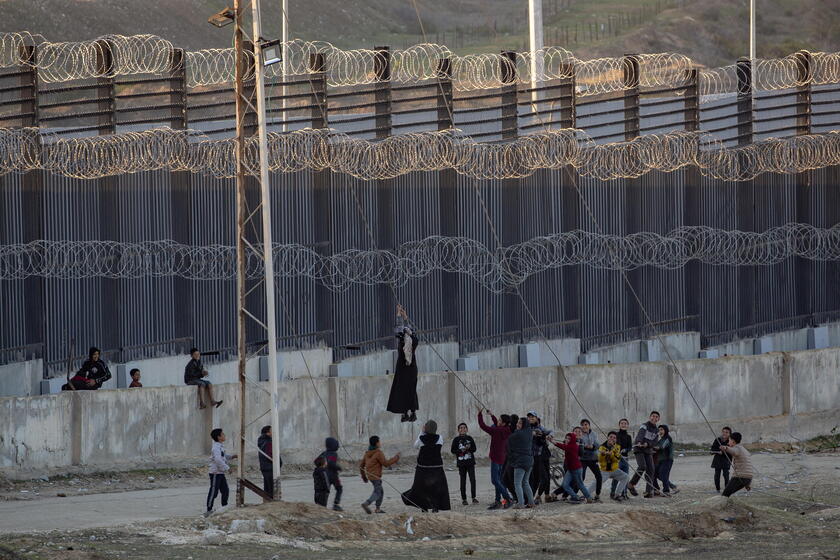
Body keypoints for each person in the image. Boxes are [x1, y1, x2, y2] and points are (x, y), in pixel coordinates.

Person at [402, 420, 450, 512]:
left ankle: (424, 507)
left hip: (423, 468)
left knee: (421, 489)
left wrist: (422, 432)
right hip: (436, 468)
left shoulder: (421, 439)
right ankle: (435, 507)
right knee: (436, 488)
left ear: (426, 428)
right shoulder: (440, 438)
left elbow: (415, 446)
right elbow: (440, 444)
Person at [386, 305, 419, 422]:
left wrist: (399, 315)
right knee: (408, 390)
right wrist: (403, 317)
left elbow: (400, 330)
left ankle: (407, 412)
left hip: (404, 368)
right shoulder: (411, 339)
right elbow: (404, 329)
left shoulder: (405, 340)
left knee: (404, 390)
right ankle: (409, 412)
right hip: (409, 368)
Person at [478, 409, 514, 510]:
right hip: (502, 457)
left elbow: (483, 426)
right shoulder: (506, 429)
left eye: (499, 420)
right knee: (499, 480)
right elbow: (497, 425)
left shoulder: (497, 430)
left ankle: (508, 498)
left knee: (494, 481)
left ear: (503, 423)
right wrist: (492, 415)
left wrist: (479, 415)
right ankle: (498, 501)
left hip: (496, 458)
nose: (497, 421)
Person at [360, 435, 400, 514]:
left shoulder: (367, 453)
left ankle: (377, 509)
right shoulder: (378, 453)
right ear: (376, 443)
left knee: (381, 491)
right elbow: (386, 463)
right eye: (379, 441)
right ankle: (367, 503)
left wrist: (364, 477)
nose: (380, 443)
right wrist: (396, 458)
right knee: (378, 492)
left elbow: (361, 466)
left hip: (370, 476)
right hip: (376, 477)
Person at [549, 431, 592, 504]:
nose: (566, 439)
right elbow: (564, 446)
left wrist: (552, 441)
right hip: (570, 469)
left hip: (577, 469)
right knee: (565, 485)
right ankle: (576, 497)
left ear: (572, 440)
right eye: (566, 438)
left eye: (569, 439)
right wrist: (553, 440)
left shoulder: (572, 446)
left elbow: (562, 446)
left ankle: (589, 498)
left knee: (580, 485)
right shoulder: (570, 445)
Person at [205, 428, 237, 517]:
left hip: (220, 473)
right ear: (219, 437)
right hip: (215, 473)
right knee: (214, 492)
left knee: (225, 490)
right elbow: (218, 460)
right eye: (223, 434)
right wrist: (227, 468)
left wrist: (231, 457)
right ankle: (209, 510)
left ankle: (224, 507)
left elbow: (223, 456)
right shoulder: (216, 447)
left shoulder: (220, 446)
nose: (224, 436)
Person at [628, 411, 660, 498]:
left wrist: (648, 444)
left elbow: (655, 442)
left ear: (658, 419)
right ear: (650, 417)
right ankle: (631, 484)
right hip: (639, 449)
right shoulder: (644, 425)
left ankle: (648, 491)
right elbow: (640, 434)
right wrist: (639, 442)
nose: (654, 418)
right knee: (642, 466)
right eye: (653, 416)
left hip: (648, 450)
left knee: (651, 469)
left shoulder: (657, 431)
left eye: (656, 417)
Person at [507, 417, 536, 509]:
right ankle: (531, 502)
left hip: (520, 461)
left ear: (523, 425)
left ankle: (521, 503)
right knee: (525, 482)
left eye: (519, 423)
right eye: (517, 423)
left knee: (517, 483)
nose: (517, 424)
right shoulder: (529, 432)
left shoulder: (518, 434)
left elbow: (509, 442)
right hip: (529, 461)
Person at [525, 412, 552, 504]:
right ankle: (532, 497)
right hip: (532, 457)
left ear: (537, 418)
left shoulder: (541, 428)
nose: (530, 418)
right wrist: (531, 434)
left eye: (532, 417)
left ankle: (541, 496)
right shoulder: (526, 428)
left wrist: (549, 436)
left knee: (545, 477)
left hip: (542, 456)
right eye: (529, 417)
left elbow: (550, 431)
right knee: (535, 478)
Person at [451, 423, 478, 505]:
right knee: (463, 481)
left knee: (472, 480)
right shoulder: (456, 439)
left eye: (464, 428)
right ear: (458, 430)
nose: (462, 429)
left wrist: (469, 448)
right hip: (461, 463)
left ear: (467, 429)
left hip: (470, 462)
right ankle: (464, 499)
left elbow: (474, 449)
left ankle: (474, 497)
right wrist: (460, 451)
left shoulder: (470, 438)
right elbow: (453, 450)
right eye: (461, 428)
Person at [720, 432, 754, 497]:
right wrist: (747, 484)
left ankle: (725, 506)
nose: (728, 443)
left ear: (733, 441)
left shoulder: (737, 448)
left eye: (729, 440)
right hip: (748, 478)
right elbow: (747, 467)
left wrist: (726, 448)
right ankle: (729, 505)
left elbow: (734, 451)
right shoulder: (744, 449)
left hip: (740, 477)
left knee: (725, 495)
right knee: (729, 494)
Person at [597, 432, 630, 501]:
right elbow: (600, 460)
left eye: (614, 438)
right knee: (597, 482)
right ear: (607, 437)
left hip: (614, 470)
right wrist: (603, 454)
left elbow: (616, 460)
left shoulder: (617, 447)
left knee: (626, 477)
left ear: (616, 439)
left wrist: (612, 453)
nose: (612, 439)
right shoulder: (601, 447)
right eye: (610, 437)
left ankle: (617, 495)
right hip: (605, 470)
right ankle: (586, 494)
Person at [317, 437, 343, 511]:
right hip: (334, 476)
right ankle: (336, 504)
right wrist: (338, 468)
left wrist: (321, 468)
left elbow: (316, 461)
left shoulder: (323, 453)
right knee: (339, 489)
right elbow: (331, 463)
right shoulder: (334, 454)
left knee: (325, 491)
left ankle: (322, 506)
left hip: (324, 476)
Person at [579, 419, 603, 501]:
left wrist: (592, 446)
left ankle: (597, 494)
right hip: (583, 459)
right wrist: (585, 446)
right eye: (582, 425)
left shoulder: (594, 434)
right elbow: (579, 446)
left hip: (593, 458)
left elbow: (597, 444)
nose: (584, 426)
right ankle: (583, 494)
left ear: (589, 425)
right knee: (582, 476)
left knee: (599, 476)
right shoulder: (580, 434)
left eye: (586, 424)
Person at [257, 425, 281, 500]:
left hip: (265, 467)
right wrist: (279, 463)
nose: (273, 432)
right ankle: (272, 502)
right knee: (271, 488)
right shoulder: (268, 442)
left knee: (267, 487)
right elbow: (271, 454)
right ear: (267, 432)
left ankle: (267, 501)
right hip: (270, 467)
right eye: (271, 430)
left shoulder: (262, 441)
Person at [612, 418, 633, 499]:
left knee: (626, 476)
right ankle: (613, 492)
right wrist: (618, 449)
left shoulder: (629, 436)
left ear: (627, 425)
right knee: (616, 476)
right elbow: (614, 444)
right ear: (619, 425)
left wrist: (626, 450)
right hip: (617, 459)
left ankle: (624, 493)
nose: (623, 425)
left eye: (625, 423)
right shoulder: (616, 435)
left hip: (625, 459)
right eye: (622, 423)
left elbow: (630, 447)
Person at [710, 426, 733, 493]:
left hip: (726, 460)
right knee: (717, 476)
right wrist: (717, 451)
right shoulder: (718, 440)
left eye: (726, 432)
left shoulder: (731, 441)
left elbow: (732, 450)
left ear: (729, 434)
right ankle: (718, 489)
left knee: (726, 475)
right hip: (717, 460)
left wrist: (723, 451)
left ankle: (726, 490)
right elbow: (712, 449)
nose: (724, 433)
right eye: (723, 432)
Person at [655, 425, 674, 497]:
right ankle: (657, 489)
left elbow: (662, 447)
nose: (660, 431)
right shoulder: (660, 440)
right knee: (655, 474)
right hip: (660, 460)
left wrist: (651, 447)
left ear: (666, 430)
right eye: (659, 430)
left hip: (667, 460)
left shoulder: (668, 438)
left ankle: (666, 491)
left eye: (662, 430)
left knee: (663, 475)